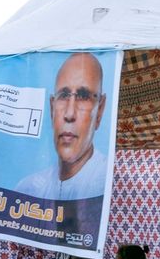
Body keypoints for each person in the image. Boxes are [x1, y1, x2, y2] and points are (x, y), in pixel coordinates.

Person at [15, 52, 108, 200]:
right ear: (52, 109)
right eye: (63, 96)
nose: (69, 114)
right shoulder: (28, 189)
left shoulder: (111, 182)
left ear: (100, 110)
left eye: (83, 97)